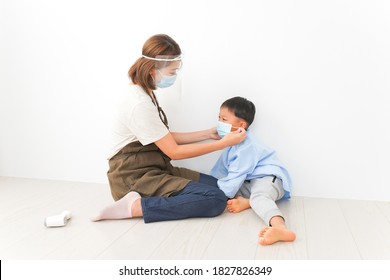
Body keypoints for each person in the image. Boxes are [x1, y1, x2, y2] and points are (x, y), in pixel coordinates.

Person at [91, 34, 246, 223]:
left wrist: (207, 134)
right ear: (152, 70)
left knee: (223, 188)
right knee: (215, 199)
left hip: (155, 168)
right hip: (132, 177)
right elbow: (174, 151)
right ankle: (135, 206)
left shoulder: (145, 93)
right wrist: (223, 143)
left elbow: (162, 136)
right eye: (171, 72)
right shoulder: (138, 103)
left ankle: (150, 200)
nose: (174, 77)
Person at [210, 96, 296, 245]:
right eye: (219, 118)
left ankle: (280, 228)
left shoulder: (247, 145)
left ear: (241, 124)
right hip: (249, 182)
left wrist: (219, 195)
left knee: (259, 196)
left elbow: (237, 174)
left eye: (224, 119)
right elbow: (222, 171)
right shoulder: (231, 143)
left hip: (269, 178)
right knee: (230, 186)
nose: (219, 123)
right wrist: (212, 185)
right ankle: (248, 201)